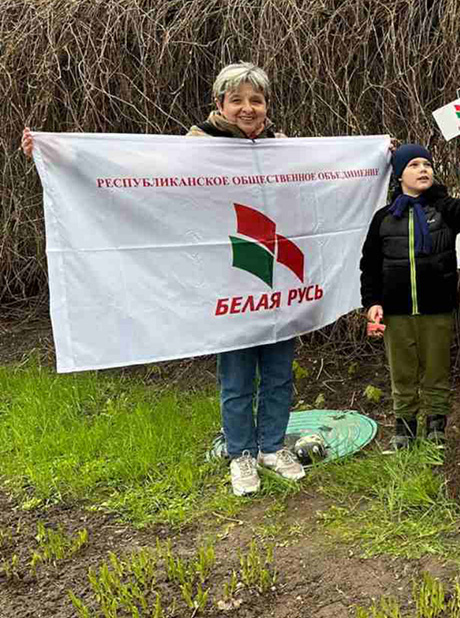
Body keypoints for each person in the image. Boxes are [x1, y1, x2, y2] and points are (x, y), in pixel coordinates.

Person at [21, 62, 307, 497]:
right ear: (220, 105)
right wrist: (60, 153)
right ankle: (241, 454)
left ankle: (272, 447)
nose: (248, 109)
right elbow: (131, 167)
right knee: (236, 373)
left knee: (279, 371)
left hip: (276, 280)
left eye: (256, 100)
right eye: (237, 100)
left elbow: (328, 179)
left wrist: (379, 156)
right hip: (227, 275)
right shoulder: (195, 147)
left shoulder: (281, 148)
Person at [359, 142, 460, 450]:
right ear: (400, 174)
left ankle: (436, 426)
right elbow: (370, 265)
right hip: (396, 310)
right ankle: (404, 427)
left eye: (427, 165)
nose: (423, 170)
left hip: (437, 308)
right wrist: (372, 302)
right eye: (414, 165)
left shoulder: (444, 209)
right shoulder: (385, 218)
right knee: (402, 371)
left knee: (436, 369)